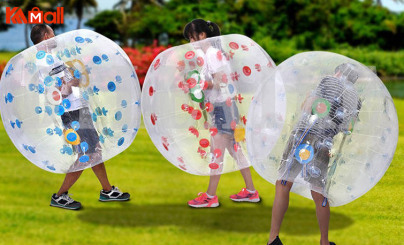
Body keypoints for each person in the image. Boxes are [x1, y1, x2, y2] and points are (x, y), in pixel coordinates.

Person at [30, 24, 130, 210]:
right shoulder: (45, 62)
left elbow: (68, 82)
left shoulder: (52, 59)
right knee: (87, 154)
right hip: (72, 112)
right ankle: (59, 195)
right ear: (45, 36)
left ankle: (107, 190)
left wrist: (72, 81)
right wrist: (71, 83)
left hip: (78, 109)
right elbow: (57, 91)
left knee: (94, 150)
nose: (55, 36)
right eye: (52, 32)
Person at [268, 63, 361, 245]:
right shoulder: (354, 97)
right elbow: (346, 128)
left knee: (284, 182)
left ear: (338, 71)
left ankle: (273, 239)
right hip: (324, 142)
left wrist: (308, 97)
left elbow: (308, 107)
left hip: (305, 133)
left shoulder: (328, 80)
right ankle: (324, 242)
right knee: (319, 191)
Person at [183, 19, 260, 208]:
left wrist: (198, 84)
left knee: (216, 152)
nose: (191, 42)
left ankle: (210, 197)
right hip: (224, 107)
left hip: (223, 108)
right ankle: (251, 192)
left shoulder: (212, 54)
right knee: (234, 150)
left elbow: (221, 81)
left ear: (202, 35)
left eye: (192, 38)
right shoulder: (211, 54)